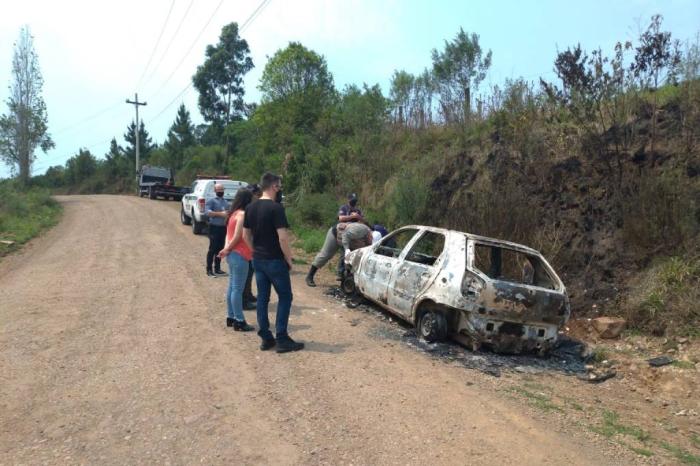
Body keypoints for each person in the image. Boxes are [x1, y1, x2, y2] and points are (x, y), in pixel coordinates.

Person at [243, 173, 304, 353]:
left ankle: (266, 337)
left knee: (263, 298)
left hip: (258, 260)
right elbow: (282, 238)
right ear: (273, 187)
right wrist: (289, 259)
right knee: (285, 297)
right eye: (279, 187)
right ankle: (282, 338)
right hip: (275, 260)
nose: (280, 190)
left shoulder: (250, 207)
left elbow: (246, 235)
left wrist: (254, 250)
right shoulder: (276, 208)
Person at [217, 189, 256, 331]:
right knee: (237, 289)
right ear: (247, 200)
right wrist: (227, 249)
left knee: (232, 287)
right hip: (240, 255)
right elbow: (239, 236)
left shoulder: (232, 214)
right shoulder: (243, 215)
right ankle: (239, 320)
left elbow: (229, 236)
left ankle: (231, 317)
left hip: (232, 254)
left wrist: (226, 249)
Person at [305, 221, 373, 287]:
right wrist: (346, 249)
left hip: (347, 239)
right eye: (371, 238)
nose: (372, 240)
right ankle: (309, 276)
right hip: (336, 234)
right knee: (326, 255)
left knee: (351, 259)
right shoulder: (360, 230)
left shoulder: (368, 238)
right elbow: (345, 235)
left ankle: (345, 282)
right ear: (370, 233)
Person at [242, 184, 263, 310]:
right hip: (246, 247)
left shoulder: (249, 208)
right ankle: (244, 300)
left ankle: (248, 295)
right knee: (246, 274)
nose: (259, 197)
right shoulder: (246, 210)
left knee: (250, 272)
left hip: (248, 246)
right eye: (257, 194)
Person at [205, 183, 229, 277]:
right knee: (212, 249)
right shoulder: (211, 201)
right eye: (218, 190)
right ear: (215, 191)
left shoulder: (225, 202)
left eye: (222, 190)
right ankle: (209, 269)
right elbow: (208, 213)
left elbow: (227, 213)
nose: (220, 192)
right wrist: (221, 214)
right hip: (214, 227)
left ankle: (217, 268)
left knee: (220, 249)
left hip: (223, 228)